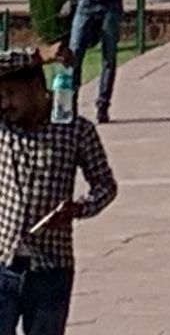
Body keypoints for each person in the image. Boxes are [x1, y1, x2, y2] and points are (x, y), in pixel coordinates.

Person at [0, 47, 117, 334]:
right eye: (1, 95)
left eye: (12, 94)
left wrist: (78, 208)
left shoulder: (76, 131)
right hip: (3, 263)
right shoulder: (4, 128)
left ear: (38, 89)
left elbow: (105, 186)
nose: (5, 103)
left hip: (52, 266)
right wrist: (37, 55)